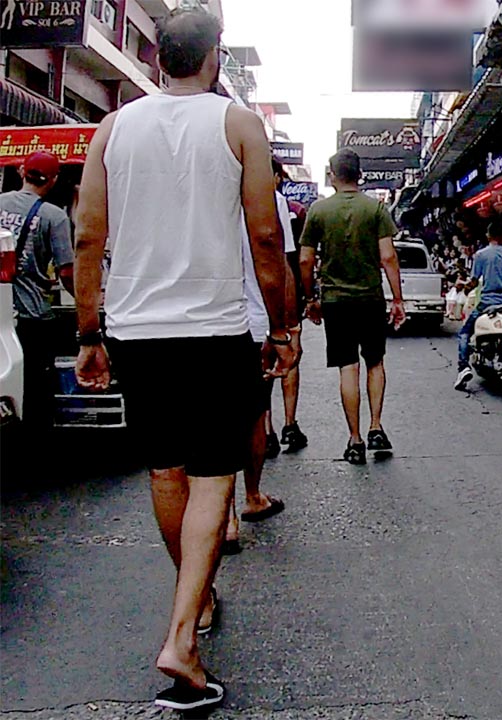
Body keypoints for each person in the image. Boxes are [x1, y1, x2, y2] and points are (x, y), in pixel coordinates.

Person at [72, 10, 297, 711]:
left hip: (136, 331)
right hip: (213, 329)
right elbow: (265, 236)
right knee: (212, 478)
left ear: (157, 59)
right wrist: (281, 326)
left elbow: (87, 235)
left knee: (165, 469)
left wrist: (89, 331)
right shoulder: (238, 125)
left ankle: (195, 603)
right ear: (214, 57)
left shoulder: (113, 128)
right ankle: (181, 636)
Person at [300, 149, 405, 465]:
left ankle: (355, 440)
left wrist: (310, 298)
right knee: (375, 362)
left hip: (335, 301)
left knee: (348, 367)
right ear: (360, 175)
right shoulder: (376, 209)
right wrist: (397, 299)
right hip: (370, 299)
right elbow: (388, 256)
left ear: (332, 175)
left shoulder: (318, 211)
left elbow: (305, 260)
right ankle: (376, 426)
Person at [222, 159, 302, 554]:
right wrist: (283, 329)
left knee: (215, 417)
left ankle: (225, 518)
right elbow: (278, 262)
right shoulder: (270, 200)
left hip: (199, 321)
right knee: (253, 414)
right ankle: (251, 497)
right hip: (252, 324)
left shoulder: (195, 190)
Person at [0, 152, 74, 431]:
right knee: (35, 385)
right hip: (32, 315)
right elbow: (66, 271)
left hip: (2, 310)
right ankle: (34, 439)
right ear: (53, 180)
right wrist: (85, 300)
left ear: (22, 171)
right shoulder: (54, 216)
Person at [264, 158, 308, 458]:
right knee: (288, 357)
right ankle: (288, 424)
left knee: (265, 364)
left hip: (244, 302)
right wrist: (292, 321)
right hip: (275, 296)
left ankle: (267, 430)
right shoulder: (281, 204)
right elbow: (286, 259)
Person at [454, 220, 502, 391]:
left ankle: (463, 367)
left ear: (488, 236)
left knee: (464, 333)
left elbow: (473, 281)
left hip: (487, 303)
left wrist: (464, 287)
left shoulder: (481, 255)